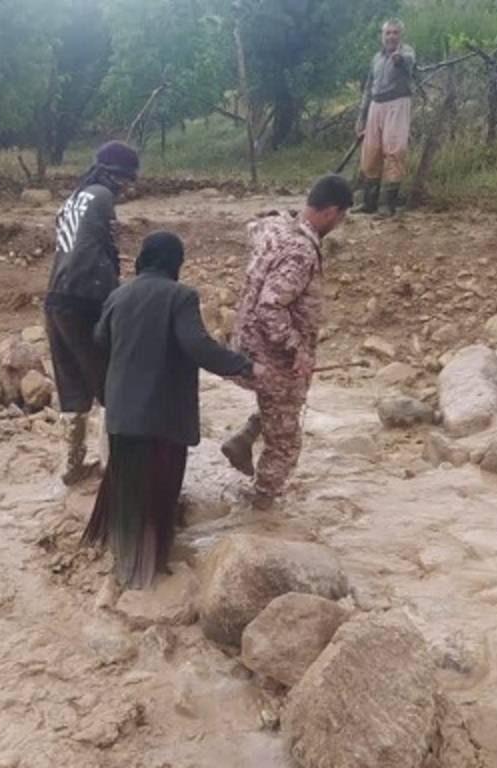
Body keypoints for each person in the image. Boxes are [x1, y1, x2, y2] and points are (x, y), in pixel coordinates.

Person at [82, 231, 255, 589]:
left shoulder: (118, 295)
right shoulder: (181, 296)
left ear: (144, 259)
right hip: (159, 415)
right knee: (158, 489)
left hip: (122, 412)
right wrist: (242, 365)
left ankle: (120, 555)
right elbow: (196, 344)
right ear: (175, 263)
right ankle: (148, 569)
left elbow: (100, 338)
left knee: (128, 483)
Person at [221, 175, 353, 510]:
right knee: (286, 442)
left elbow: (255, 224)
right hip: (274, 354)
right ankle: (263, 506)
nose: (339, 225)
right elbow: (270, 306)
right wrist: (298, 351)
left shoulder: (275, 229)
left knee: (281, 410)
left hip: (247, 344)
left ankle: (245, 438)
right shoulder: (301, 251)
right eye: (341, 217)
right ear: (331, 212)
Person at [44, 140, 140, 486]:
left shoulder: (75, 197)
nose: (131, 188)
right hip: (85, 300)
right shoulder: (103, 199)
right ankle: (112, 470)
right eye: (129, 180)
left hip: (55, 298)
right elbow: (106, 260)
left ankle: (71, 465)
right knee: (111, 386)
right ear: (116, 176)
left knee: (71, 384)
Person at [353, 18, 416, 217]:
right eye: (388, 33)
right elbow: (368, 90)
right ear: (383, 35)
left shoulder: (407, 53)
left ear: (401, 35)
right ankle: (369, 203)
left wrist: (398, 59)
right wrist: (362, 115)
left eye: (395, 33)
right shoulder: (376, 59)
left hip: (397, 103)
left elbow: (406, 62)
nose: (391, 37)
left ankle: (389, 205)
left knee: (394, 150)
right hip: (375, 105)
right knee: (371, 152)